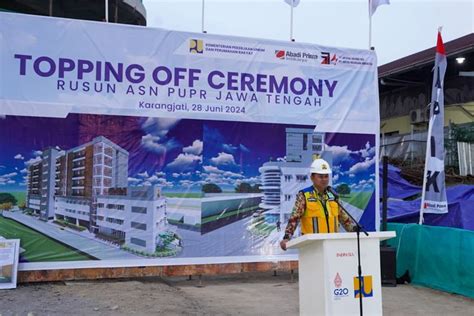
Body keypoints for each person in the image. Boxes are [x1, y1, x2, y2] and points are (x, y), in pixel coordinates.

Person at [280, 158, 356, 251]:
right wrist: (287, 237)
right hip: (312, 247)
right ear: (312, 177)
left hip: (333, 245)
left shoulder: (332, 194)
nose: (324, 179)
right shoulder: (304, 195)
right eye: (320, 176)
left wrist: (356, 231)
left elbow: (344, 219)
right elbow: (294, 219)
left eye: (326, 176)